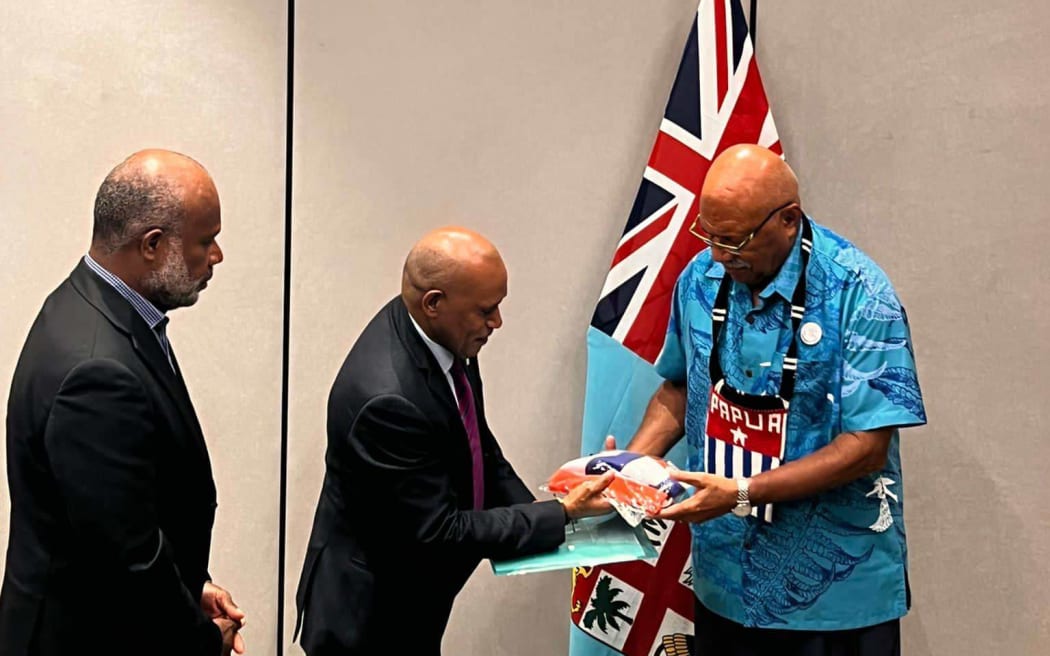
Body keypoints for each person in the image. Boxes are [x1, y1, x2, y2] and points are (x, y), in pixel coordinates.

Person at [625, 145, 926, 655]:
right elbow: (680, 387)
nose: (720, 255)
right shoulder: (701, 279)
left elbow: (866, 446)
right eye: (710, 235)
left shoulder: (859, 292)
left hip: (831, 598)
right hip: (724, 580)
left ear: (788, 220)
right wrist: (630, 465)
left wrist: (743, 491)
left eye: (735, 240)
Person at [295, 227, 612, 655]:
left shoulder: (445, 339)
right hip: (370, 621)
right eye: (486, 310)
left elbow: (477, 445)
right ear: (434, 304)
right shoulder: (388, 402)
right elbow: (440, 532)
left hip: (413, 597)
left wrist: (548, 511)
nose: (497, 322)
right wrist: (560, 516)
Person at [0, 150, 246, 656]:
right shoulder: (97, 370)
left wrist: (187, 586)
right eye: (206, 240)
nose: (217, 256)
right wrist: (202, 642)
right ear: (152, 245)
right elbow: (126, 560)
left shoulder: (88, 303)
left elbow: (122, 510)